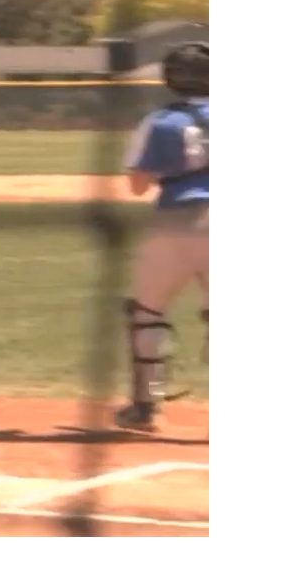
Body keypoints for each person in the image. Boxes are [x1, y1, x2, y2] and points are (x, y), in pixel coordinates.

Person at [116, 41, 209, 433]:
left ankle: (147, 408)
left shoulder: (160, 121)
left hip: (177, 221)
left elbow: (138, 185)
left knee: (148, 312)